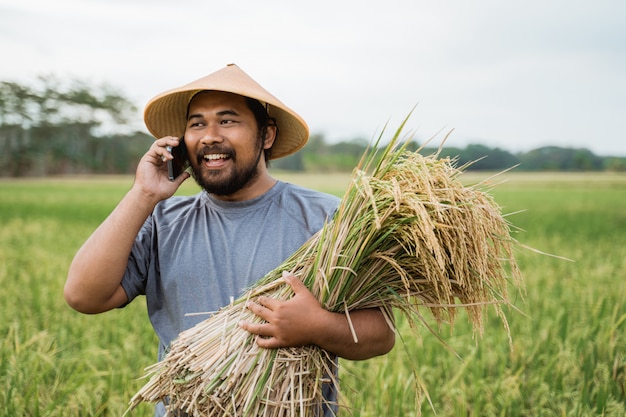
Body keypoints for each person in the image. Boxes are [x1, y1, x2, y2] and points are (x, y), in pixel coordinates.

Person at [64, 63, 395, 416]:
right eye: (196, 124)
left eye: (227, 121)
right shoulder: (162, 221)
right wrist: (143, 193)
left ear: (266, 135)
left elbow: (380, 333)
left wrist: (316, 326)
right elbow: (84, 295)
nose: (209, 136)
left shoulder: (329, 220)